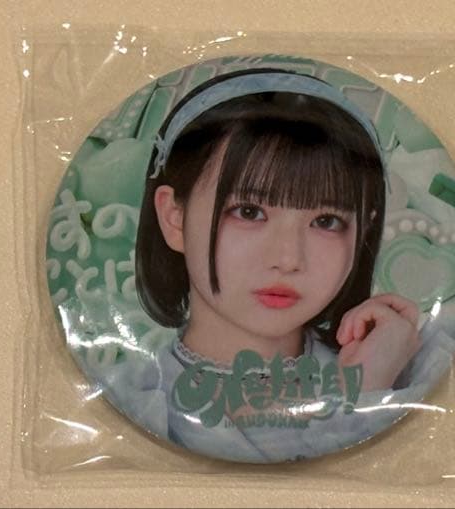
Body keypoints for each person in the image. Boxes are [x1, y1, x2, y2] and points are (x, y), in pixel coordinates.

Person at [127, 70, 434, 462]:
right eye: (249, 212)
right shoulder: (133, 400)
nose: (288, 260)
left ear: (364, 230)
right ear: (174, 218)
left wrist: (363, 389)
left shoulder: (403, 370)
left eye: (326, 221)